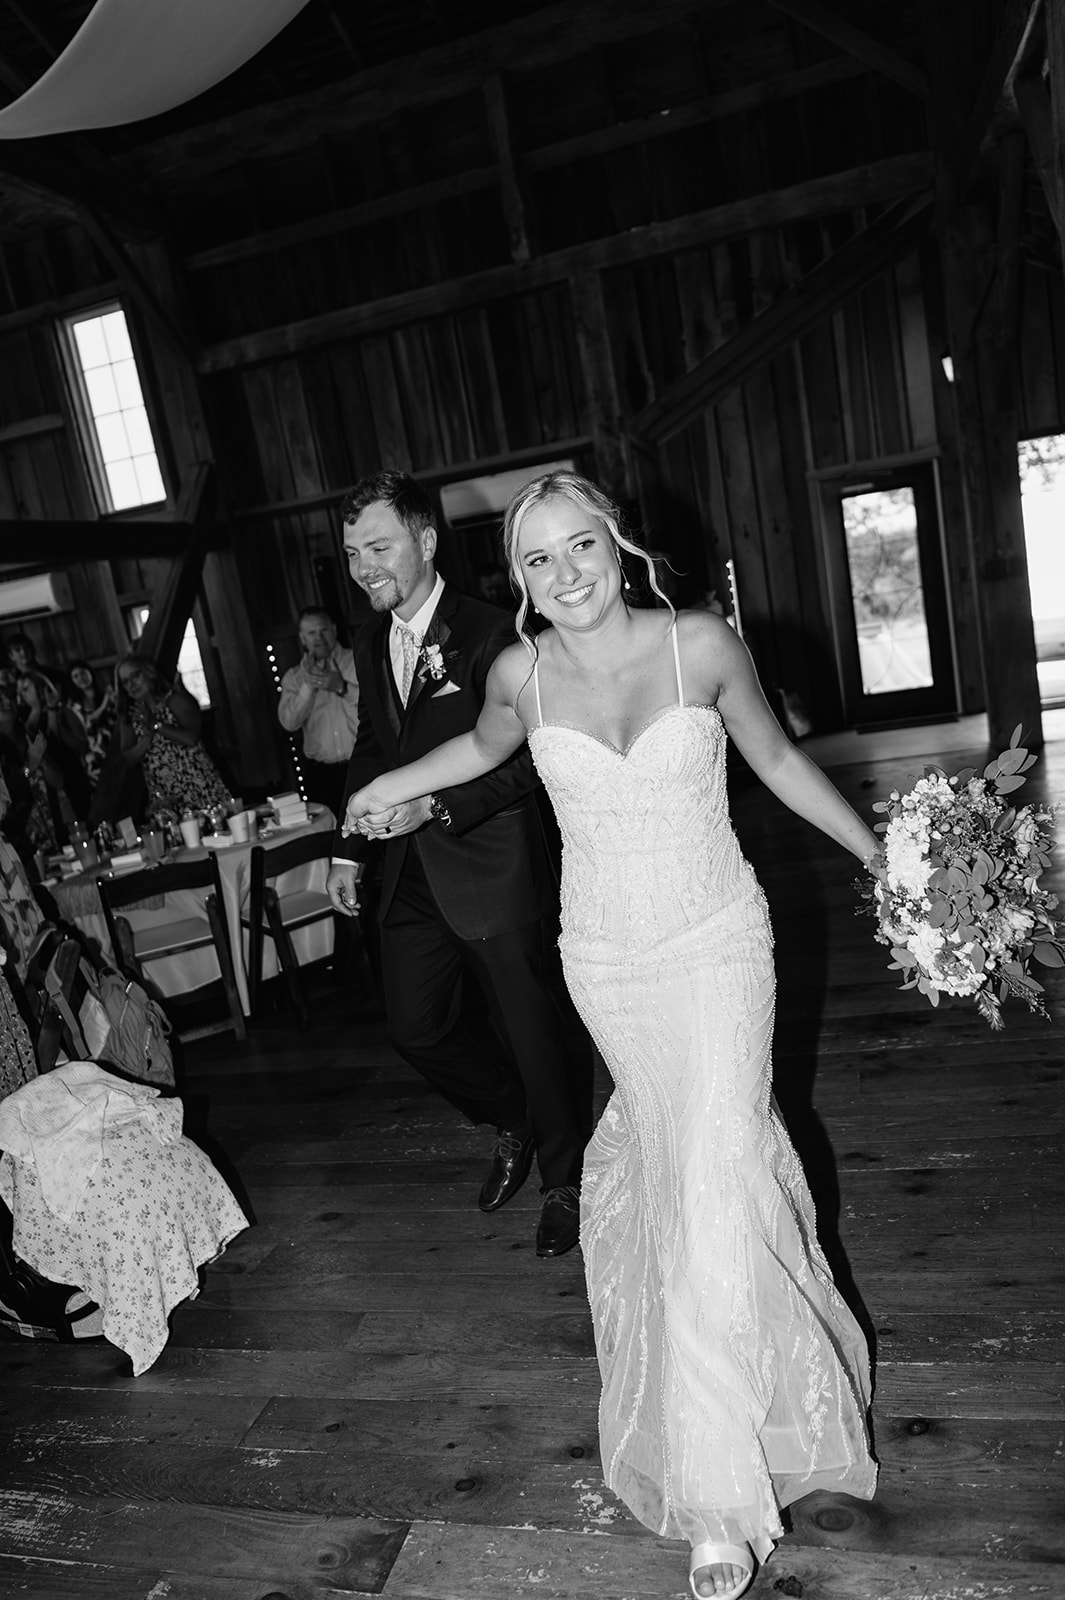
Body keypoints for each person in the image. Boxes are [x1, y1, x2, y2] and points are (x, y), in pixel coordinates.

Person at [342, 470, 878, 1600]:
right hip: (610, 963)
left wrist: (881, 855)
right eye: (538, 560)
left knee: (717, 1177)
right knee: (691, 1188)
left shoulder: (700, 644)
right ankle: (740, 1413)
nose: (565, 574)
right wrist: (389, 779)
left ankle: (720, 1504)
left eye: (580, 546)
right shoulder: (520, 677)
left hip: (721, 943)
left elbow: (777, 764)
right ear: (519, 579)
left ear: (617, 542)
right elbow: (479, 752)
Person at [326, 470, 592, 1258]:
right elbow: (377, 744)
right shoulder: (371, 641)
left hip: (490, 866)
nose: (363, 565)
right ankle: (513, 1118)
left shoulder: (495, 632)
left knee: (531, 1027)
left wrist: (437, 806)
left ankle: (564, 1179)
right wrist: (346, 848)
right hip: (404, 874)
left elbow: (532, 761)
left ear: (426, 540)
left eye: (378, 546)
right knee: (416, 1028)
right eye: (350, 553)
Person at [114, 655, 230, 818]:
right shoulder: (130, 716)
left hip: (200, 788)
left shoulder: (176, 699)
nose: (131, 685)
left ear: (149, 673)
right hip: (166, 799)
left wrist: (155, 724)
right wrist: (146, 737)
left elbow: (191, 738)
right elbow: (128, 759)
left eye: (135, 676)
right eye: (125, 682)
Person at [277, 608, 360, 815]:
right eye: (312, 633)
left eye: (323, 630)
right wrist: (309, 685)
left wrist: (342, 687)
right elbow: (289, 722)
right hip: (321, 775)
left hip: (363, 766)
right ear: (302, 638)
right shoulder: (294, 677)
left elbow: (380, 706)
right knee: (330, 840)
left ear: (333, 630)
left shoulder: (358, 660)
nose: (319, 638)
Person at [64, 660, 118, 788]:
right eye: (75, 676)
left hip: (115, 745)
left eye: (83, 673)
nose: (81, 678)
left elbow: (117, 717)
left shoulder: (107, 694)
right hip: (95, 755)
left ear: (90, 673)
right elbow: (88, 727)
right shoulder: (74, 706)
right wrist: (104, 705)